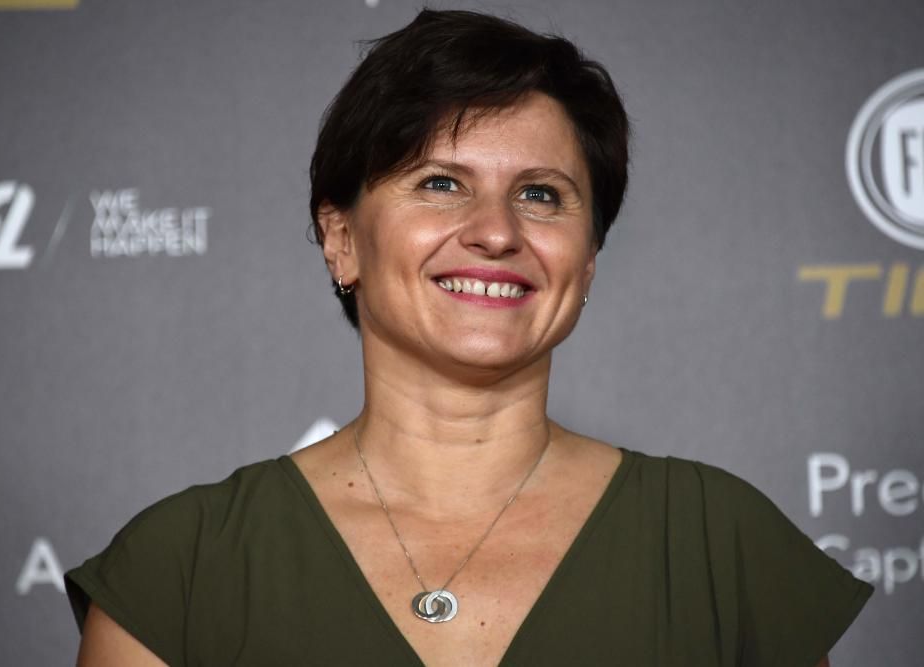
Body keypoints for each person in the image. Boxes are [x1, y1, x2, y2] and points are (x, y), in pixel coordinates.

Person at [65, 9, 873, 666]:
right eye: (441, 183)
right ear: (341, 238)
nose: (496, 232)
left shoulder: (717, 546)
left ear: (587, 262)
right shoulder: (182, 569)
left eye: (543, 195)